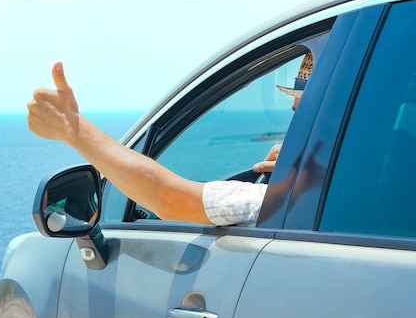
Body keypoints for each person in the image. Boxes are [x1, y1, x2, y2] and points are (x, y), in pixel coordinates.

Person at [27, 53, 313, 226]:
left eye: (301, 100)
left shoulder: (293, 197)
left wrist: (72, 129)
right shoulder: (339, 189)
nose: (293, 109)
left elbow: (168, 198)